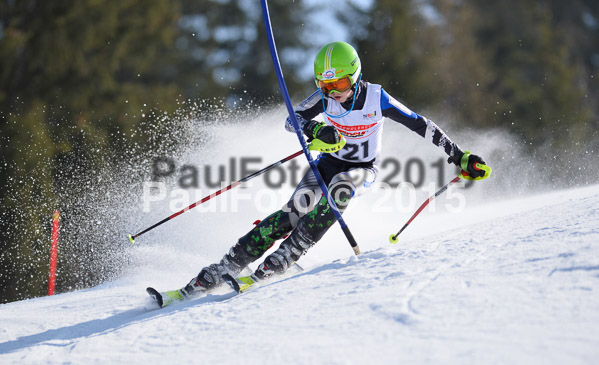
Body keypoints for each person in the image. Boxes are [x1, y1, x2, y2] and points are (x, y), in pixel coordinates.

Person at [180, 41, 489, 295]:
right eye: (325, 85)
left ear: (354, 77)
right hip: (327, 163)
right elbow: (292, 120)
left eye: (339, 83)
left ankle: (286, 256)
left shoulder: (376, 97)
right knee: (294, 211)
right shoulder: (325, 99)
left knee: (341, 190)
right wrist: (316, 131)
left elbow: (421, 124)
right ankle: (226, 266)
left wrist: (459, 155)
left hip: (363, 168)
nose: (334, 91)